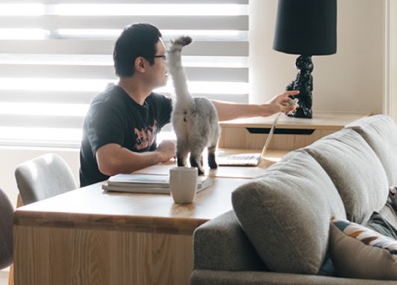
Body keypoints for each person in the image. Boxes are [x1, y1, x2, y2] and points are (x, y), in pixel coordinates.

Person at [79, 22, 298, 186]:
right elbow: (109, 162)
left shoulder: (151, 102)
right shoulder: (107, 105)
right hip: (100, 207)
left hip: (130, 196)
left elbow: (203, 109)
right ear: (141, 64)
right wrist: (160, 155)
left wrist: (265, 109)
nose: (168, 63)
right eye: (163, 57)